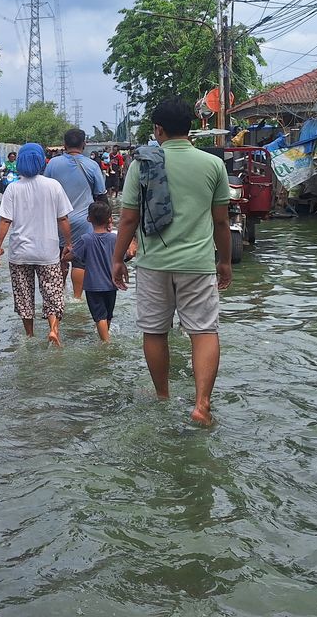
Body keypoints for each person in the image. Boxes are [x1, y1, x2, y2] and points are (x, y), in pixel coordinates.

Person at [111, 98, 232, 427]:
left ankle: (162, 394)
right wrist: (225, 262)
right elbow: (221, 222)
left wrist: (117, 259)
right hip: (198, 263)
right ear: (191, 128)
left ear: (158, 130)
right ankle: (202, 404)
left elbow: (127, 220)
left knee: (154, 332)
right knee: (204, 331)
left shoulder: (142, 164)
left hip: (153, 264)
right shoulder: (212, 165)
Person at [0, 143, 73, 347]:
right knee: (52, 293)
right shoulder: (53, 186)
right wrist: (69, 243)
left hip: (20, 253)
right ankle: (53, 331)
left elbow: (5, 221)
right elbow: (63, 219)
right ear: (41, 160)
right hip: (48, 252)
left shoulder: (13, 189)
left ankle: (29, 336)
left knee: (24, 297)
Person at [44, 128, 107, 300]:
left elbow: (46, 191)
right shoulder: (92, 165)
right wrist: (107, 222)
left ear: (64, 145)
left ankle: (59, 296)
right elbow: (101, 196)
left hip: (58, 222)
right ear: (84, 144)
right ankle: (77, 298)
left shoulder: (52, 165)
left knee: (59, 259)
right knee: (80, 261)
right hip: (84, 222)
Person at [73, 200, 121, 341]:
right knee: (108, 314)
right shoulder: (114, 238)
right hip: (111, 284)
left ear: (88, 219)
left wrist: (66, 255)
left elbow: (75, 255)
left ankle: (106, 342)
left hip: (93, 286)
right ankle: (106, 335)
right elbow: (124, 256)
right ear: (110, 219)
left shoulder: (85, 239)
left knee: (99, 316)